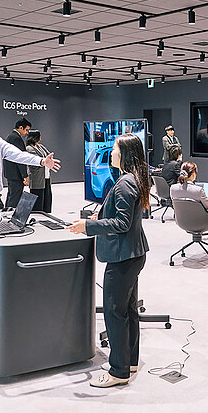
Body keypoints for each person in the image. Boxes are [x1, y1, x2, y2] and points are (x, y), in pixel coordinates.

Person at [68, 134, 150, 388]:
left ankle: (118, 372)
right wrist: (102, 214)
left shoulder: (125, 184)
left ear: (125, 154)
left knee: (115, 313)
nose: (111, 152)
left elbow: (122, 224)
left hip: (123, 257)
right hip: (133, 254)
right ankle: (129, 361)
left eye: (114, 149)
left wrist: (88, 225)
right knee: (128, 310)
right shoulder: (131, 180)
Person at [169, 161, 208, 254]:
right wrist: (207, 198)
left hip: (182, 222)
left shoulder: (173, 188)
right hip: (201, 222)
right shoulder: (198, 190)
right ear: (193, 174)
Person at [3, 118, 32, 209]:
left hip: (11, 172)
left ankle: (7, 212)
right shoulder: (16, 139)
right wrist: (24, 175)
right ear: (20, 127)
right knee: (15, 197)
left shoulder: (11, 136)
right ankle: (10, 215)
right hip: (15, 173)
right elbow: (21, 159)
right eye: (26, 130)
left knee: (12, 195)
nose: (27, 132)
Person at [24, 130, 53, 213]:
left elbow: (48, 154)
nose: (41, 138)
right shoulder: (29, 148)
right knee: (38, 198)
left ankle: (46, 213)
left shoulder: (40, 146)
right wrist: (44, 161)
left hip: (45, 176)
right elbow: (34, 161)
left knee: (47, 196)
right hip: (37, 177)